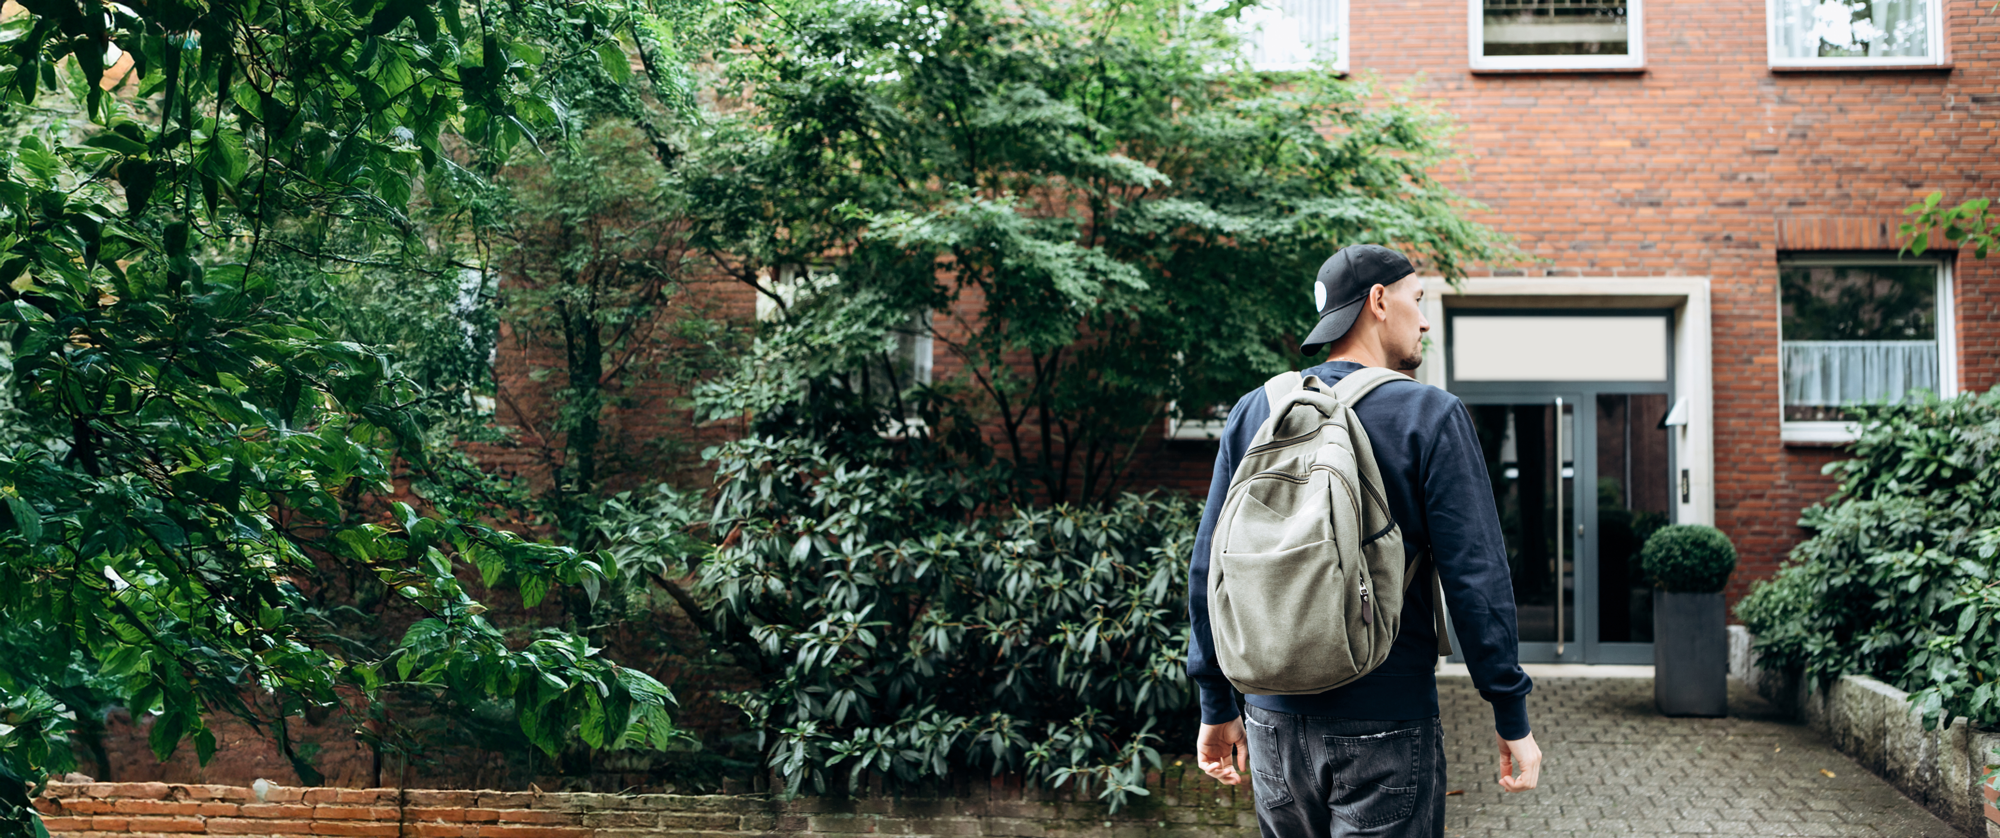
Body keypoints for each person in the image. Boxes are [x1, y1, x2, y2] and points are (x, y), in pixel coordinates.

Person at [1185, 245, 1543, 838]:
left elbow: (1209, 570)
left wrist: (1215, 706)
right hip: (1387, 717)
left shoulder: (1256, 411)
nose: (1424, 320)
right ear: (1379, 301)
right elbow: (1476, 577)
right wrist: (1511, 713)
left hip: (1271, 718)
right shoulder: (1429, 414)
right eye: (1417, 300)